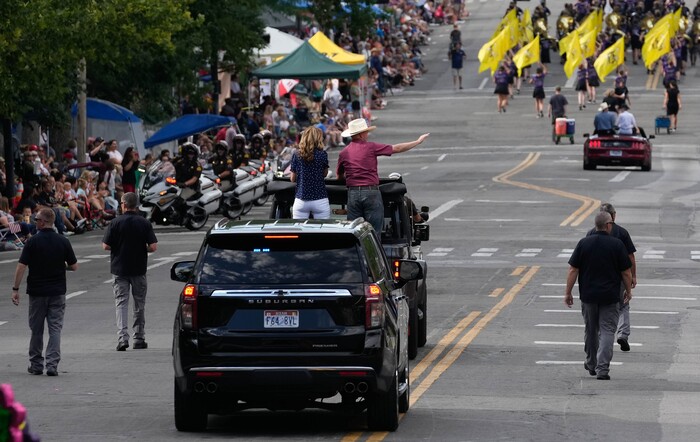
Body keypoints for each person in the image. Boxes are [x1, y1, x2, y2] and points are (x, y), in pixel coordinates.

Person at [565, 211, 633, 380]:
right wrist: (628, 291)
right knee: (608, 330)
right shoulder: (617, 245)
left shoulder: (584, 243)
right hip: (610, 297)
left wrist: (568, 292)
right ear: (608, 225)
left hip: (588, 296)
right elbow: (626, 272)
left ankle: (591, 363)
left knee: (591, 330)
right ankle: (603, 369)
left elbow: (573, 269)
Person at [11, 208, 78, 376]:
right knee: (55, 328)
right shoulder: (63, 241)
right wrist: (60, 265)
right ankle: (52, 364)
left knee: (37, 329)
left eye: (36, 220)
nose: (35, 223)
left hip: (37, 292)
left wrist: (15, 289)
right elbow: (74, 266)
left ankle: (36, 364)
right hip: (57, 291)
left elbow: (21, 267)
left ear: (43, 222)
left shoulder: (32, 242)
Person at [336, 118, 429, 235]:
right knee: (375, 231)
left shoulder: (344, 152)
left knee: (354, 231)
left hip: (353, 193)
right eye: (366, 132)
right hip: (370, 192)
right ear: (360, 134)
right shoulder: (371, 147)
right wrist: (418, 141)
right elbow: (397, 148)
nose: (367, 134)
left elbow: (339, 175)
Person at [102, 192, 158, 351]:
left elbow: (106, 246)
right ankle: (139, 337)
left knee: (121, 303)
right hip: (139, 268)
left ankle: (122, 338)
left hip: (119, 268)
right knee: (139, 303)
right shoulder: (144, 223)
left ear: (124, 205)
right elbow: (153, 247)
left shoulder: (115, 223)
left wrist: (119, 248)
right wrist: (141, 248)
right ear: (136, 205)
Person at [587, 203, 637, 352]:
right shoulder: (622, 233)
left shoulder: (590, 234)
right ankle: (622, 334)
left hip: (596, 279)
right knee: (624, 305)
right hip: (619, 276)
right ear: (613, 216)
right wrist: (633, 276)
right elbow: (630, 257)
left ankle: (597, 345)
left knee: (597, 314)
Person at [289, 127, 330, 219]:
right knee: (322, 231)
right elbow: (324, 174)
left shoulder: (297, 154)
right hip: (320, 199)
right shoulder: (322, 154)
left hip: (301, 199)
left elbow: (292, 179)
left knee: (300, 231)